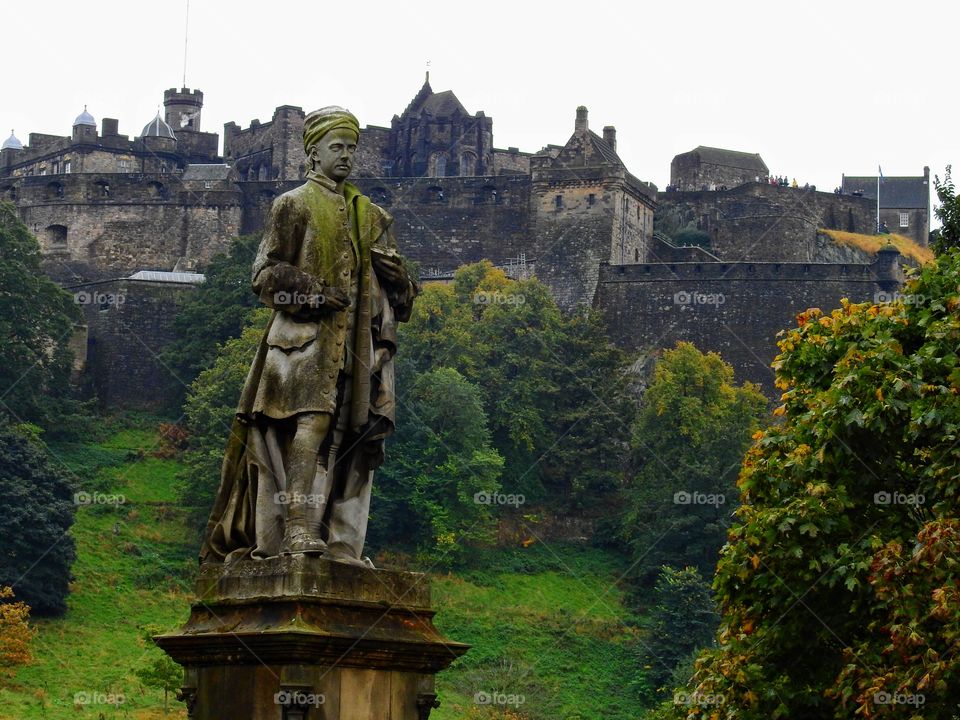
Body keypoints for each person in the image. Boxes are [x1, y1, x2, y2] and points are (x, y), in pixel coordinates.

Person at [200, 106, 417, 567]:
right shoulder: (293, 203)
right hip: (299, 344)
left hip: (356, 346)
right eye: (336, 147)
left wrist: (400, 280)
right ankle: (295, 529)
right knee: (310, 425)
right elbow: (263, 275)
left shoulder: (372, 215)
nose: (346, 156)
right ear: (313, 153)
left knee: (344, 437)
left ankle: (334, 538)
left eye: (351, 149)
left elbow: (401, 295)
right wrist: (317, 295)